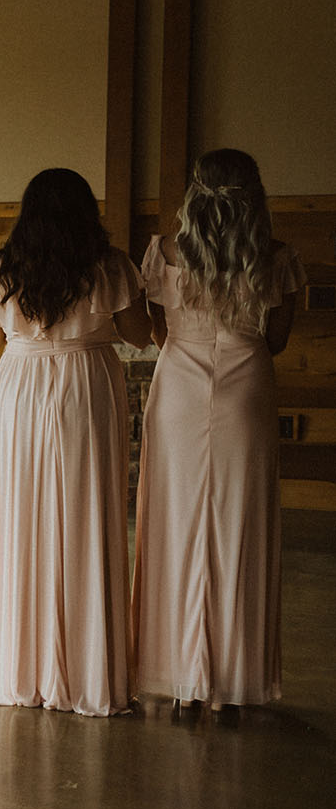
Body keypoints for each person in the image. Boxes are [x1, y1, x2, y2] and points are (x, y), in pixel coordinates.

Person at [0, 167, 151, 717]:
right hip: (86, 385)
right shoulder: (108, 265)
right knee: (85, 513)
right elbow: (141, 333)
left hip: (20, 387)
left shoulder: (1, 269)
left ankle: (20, 665)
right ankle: (86, 668)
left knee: (19, 518)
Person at [133, 148, 305, 710]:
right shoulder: (276, 258)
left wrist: (189, 346)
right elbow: (276, 340)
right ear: (254, 196)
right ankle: (232, 684)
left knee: (176, 525)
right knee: (238, 530)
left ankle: (178, 677)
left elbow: (158, 329)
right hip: (247, 388)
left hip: (178, 387)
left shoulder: (163, 253)